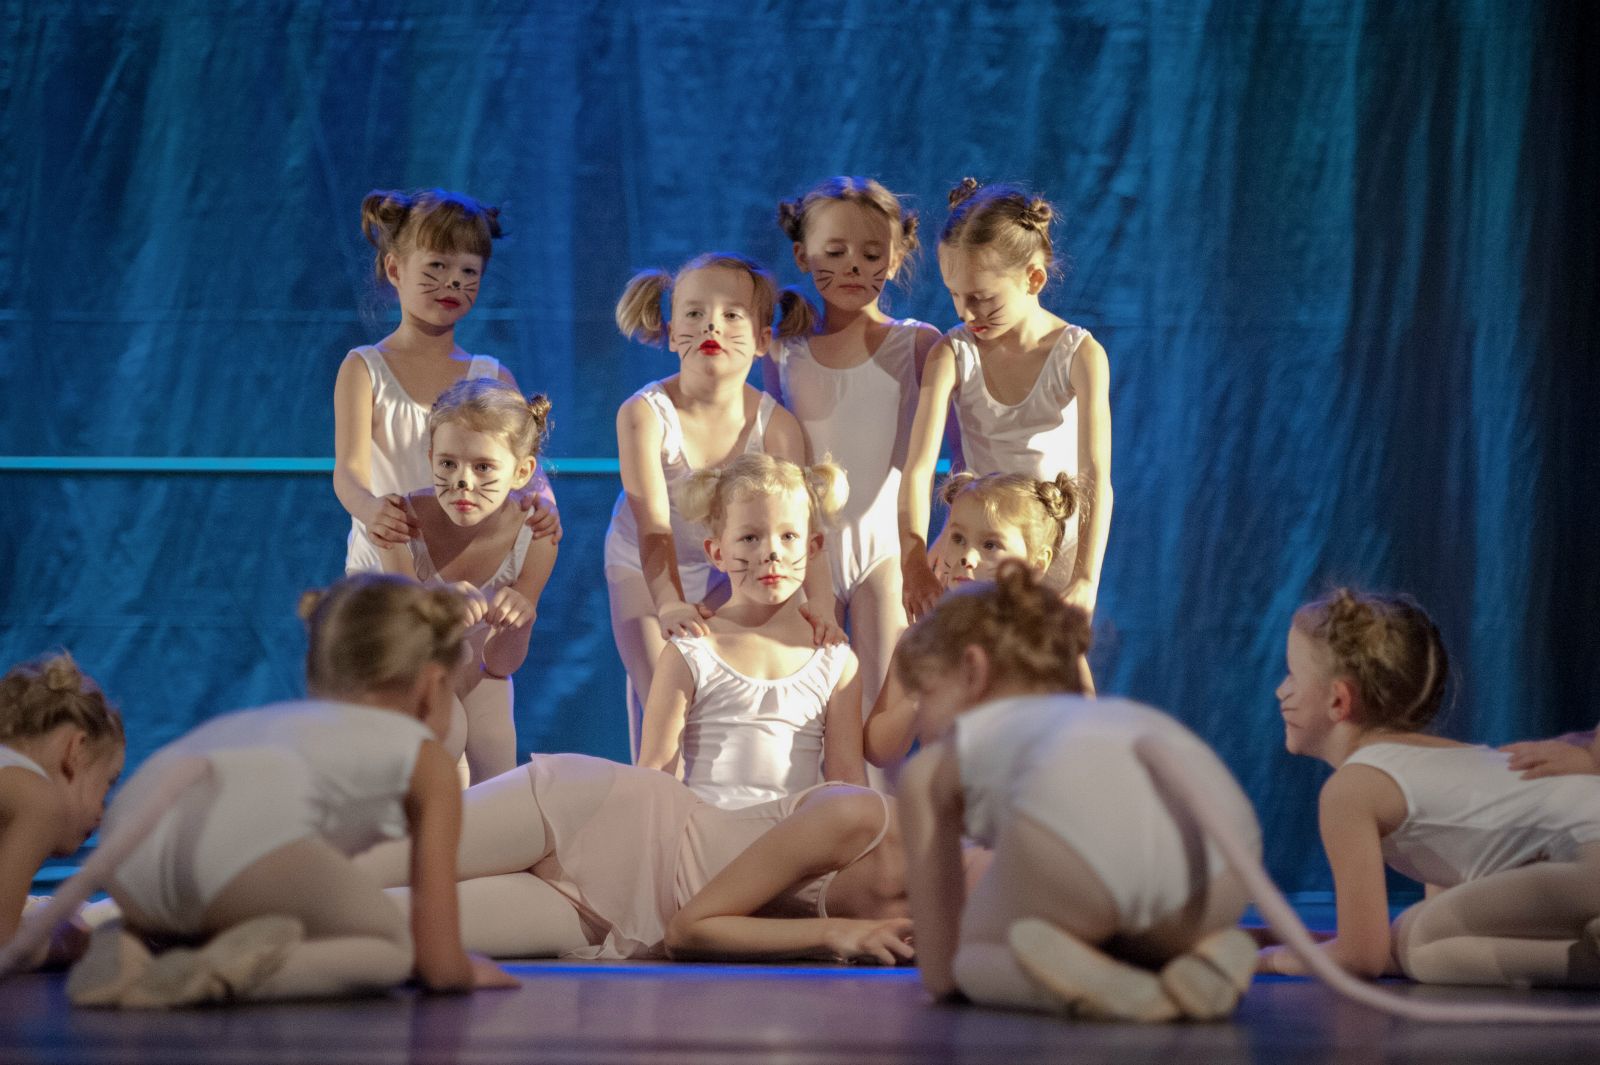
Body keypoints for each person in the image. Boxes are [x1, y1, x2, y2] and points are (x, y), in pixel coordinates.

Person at [52, 575, 517, 1007]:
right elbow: (437, 962)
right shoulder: (427, 761)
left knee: (253, 903)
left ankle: (128, 940)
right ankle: (214, 973)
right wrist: (457, 969)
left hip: (126, 849)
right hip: (225, 859)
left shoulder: (282, 723)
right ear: (433, 686)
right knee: (392, 948)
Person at [896, 562, 1260, 1021]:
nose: (922, 717)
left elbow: (939, 972)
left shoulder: (940, 761)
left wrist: (953, 964)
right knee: (1130, 923)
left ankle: (1107, 988)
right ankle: (1210, 953)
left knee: (971, 958)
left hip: (1077, 846)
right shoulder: (1102, 714)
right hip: (1223, 861)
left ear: (973, 670)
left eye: (926, 694)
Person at [1262, 588, 1600, 987]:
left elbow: (1361, 956)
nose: (1280, 690)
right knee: (1419, 936)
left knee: (1416, 943)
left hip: (1589, 853)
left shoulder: (1351, 790)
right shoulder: (1437, 772)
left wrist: (1268, 960)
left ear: (1339, 701)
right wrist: (1298, 942)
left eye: (1292, 676)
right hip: (1583, 854)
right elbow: (1410, 933)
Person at [352, 755, 911, 964]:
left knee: (377, 923)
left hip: (616, 922)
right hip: (601, 813)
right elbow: (691, 929)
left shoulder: (932, 928)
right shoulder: (856, 816)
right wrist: (836, 933)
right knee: (345, 868)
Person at [609, 252, 839, 758]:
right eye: (694, 313)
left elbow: (803, 523)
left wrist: (821, 605)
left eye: (731, 314)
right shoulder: (643, 415)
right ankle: (655, 799)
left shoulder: (776, 427)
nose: (711, 325)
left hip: (729, 569)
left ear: (762, 339)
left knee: (715, 704)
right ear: (672, 333)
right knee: (660, 699)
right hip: (644, 568)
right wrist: (669, 603)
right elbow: (654, 528)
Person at [766, 177, 942, 721]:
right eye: (835, 252)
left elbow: (954, 453)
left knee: (878, 716)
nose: (852, 268)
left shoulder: (918, 344)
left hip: (886, 552)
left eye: (870, 255)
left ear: (895, 258)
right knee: (800, 713)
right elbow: (774, 459)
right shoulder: (784, 351)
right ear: (802, 255)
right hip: (804, 550)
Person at [898, 180, 1112, 623]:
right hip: (977, 551)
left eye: (981, 299)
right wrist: (913, 560)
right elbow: (918, 469)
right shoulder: (951, 354)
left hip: (1052, 550)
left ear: (1033, 278)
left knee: (1050, 659)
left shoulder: (1080, 355)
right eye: (955, 295)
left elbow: (1095, 475)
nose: (964, 313)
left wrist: (1085, 577)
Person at [333, 188, 558, 577]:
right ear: (395, 270)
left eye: (468, 271)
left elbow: (525, 467)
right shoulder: (365, 369)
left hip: (471, 567)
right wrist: (371, 509)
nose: (453, 281)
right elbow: (348, 472)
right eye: (437, 266)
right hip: (386, 566)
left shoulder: (492, 376)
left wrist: (545, 502)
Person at [639, 453, 867, 808]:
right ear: (717, 553)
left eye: (788, 535)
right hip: (708, 833)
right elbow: (654, 773)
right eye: (749, 538)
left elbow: (848, 781)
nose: (771, 552)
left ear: (813, 547)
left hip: (796, 837)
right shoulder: (691, 651)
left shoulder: (836, 662)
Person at [377, 378, 557, 783]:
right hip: (414, 667)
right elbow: (407, 642)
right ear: (430, 458)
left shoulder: (537, 535)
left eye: (483, 467)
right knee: (446, 732)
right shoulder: (401, 522)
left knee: (495, 752)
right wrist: (436, 607)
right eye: (448, 463)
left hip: (481, 672)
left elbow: (501, 663)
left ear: (522, 472)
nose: (462, 481)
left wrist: (521, 619)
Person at [865, 471, 1087, 768]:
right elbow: (878, 751)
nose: (967, 557)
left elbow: (1086, 733)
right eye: (958, 539)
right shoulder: (924, 639)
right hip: (948, 791)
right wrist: (921, 695)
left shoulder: (1049, 640)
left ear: (1037, 563)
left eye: (990, 545)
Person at [0, 653, 124, 972]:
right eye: (107, 783)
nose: (102, 812)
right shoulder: (37, 797)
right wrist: (65, 944)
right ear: (76, 751)